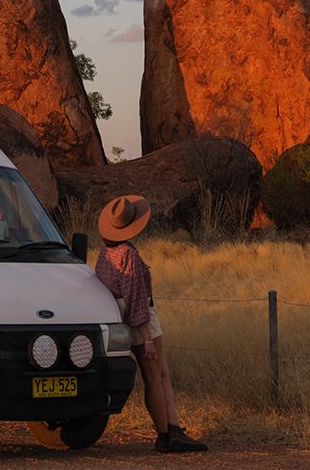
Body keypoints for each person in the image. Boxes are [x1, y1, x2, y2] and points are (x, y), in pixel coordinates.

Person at [95, 194, 208, 453]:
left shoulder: (105, 252)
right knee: (156, 374)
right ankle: (167, 434)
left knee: (157, 373)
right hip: (140, 317)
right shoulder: (128, 255)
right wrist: (146, 336)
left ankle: (172, 428)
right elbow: (136, 298)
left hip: (121, 314)